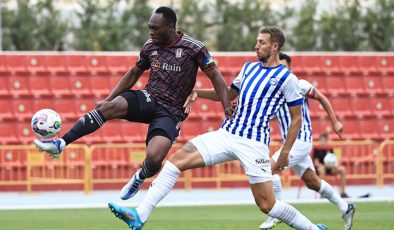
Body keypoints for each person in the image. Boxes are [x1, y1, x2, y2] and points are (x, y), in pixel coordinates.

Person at [108, 27, 328, 230]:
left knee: (267, 204)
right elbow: (230, 95)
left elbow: (296, 119)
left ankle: (312, 228)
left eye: (262, 42)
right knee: (175, 162)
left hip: (254, 143)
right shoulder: (249, 68)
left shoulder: (287, 79)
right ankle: (140, 216)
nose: (256, 45)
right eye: (257, 41)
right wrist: (197, 92)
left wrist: (286, 153)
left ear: (275, 47)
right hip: (227, 133)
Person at [33, 6, 233, 200]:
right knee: (108, 107)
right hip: (148, 97)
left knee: (154, 159)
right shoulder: (149, 46)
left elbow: (215, 76)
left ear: (170, 27)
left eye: (155, 28)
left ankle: (140, 176)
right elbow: (133, 73)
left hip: (171, 111)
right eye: (150, 27)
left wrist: (225, 104)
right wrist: (108, 99)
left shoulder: (194, 48)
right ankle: (60, 143)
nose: (151, 32)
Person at [259, 53, 355, 230]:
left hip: (300, 141)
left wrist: (334, 121)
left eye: (284, 65)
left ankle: (275, 213)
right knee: (312, 182)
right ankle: (345, 207)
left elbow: (322, 98)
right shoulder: (272, 90)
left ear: (290, 68)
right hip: (290, 143)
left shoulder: (300, 84)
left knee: (266, 170)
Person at [313, 133, 349, 198]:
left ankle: (343, 193)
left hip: (330, 168)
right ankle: (323, 193)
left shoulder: (329, 149)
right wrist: (324, 166)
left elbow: (334, 159)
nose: (323, 142)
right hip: (319, 169)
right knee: (322, 169)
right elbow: (316, 163)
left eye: (324, 140)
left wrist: (336, 165)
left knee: (342, 169)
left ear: (327, 141)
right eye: (321, 140)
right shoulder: (316, 149)